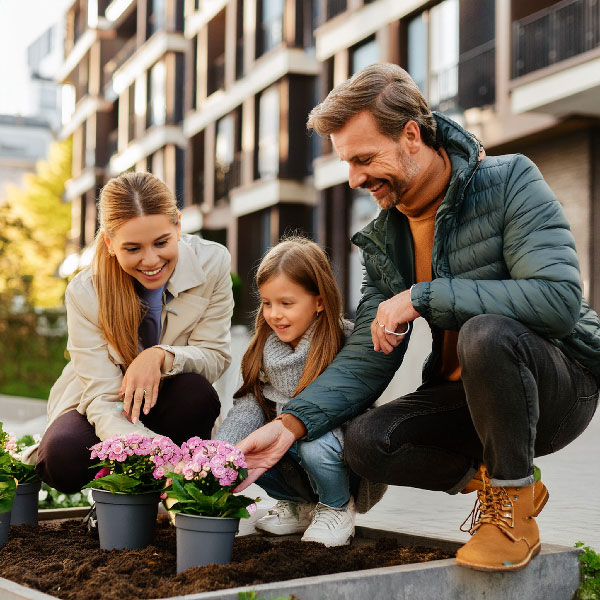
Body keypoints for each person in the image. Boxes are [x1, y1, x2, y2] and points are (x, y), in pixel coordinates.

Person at [234, 63, 600, 571]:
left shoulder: (511, 179)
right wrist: (291, 425)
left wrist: (424, 296)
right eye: (348, 163)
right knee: (364, 442)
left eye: (364, 158)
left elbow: (557, 300)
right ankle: (502, 483)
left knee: (485, 332)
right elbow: (367, 352)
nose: (356, 178)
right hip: (468, 400)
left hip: (555, 389)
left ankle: (512, 510)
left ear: (411, 135)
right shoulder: (387, 238)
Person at [34, 172, 234, 493]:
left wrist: (160, 357)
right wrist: (148, 448)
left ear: (178, 225)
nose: (151, 260)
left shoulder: (213, 262)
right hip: (106, 399)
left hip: (170, 394)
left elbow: (214, 357)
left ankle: (173, 495)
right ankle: (123, 495)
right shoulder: (85, 292)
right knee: (62, 457)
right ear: (110, 243)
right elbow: (101, 393)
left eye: (161, 242)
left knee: (197, 395)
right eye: (132, 248)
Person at [217, 237, 380, 547]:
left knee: (312, 439)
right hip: (294, 455)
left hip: (342, 457)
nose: (274, 314)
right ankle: (298, 506)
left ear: (319, 301)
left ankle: (336, 507)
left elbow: (352, 405)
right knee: (249, 445)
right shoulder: (265, 349)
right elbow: (250, 407)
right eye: (267, 303)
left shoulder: (345, 341)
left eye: (286, 303)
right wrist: (221, 454)